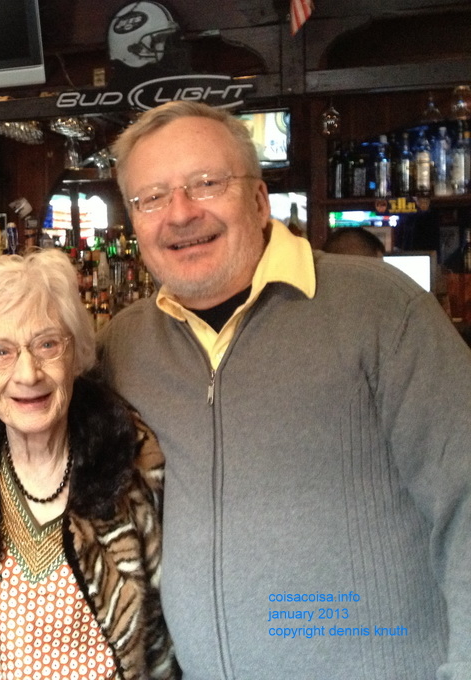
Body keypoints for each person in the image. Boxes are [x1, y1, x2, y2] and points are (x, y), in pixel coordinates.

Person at [98, 100, 471, 679]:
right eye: (151, 197)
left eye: (206, 183)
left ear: (258, 199)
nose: (180, 213)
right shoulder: (126, 343)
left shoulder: (381, 307)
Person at [0, 248, 177, 680]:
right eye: (1, 352)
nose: (28, 374)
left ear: (76, 353)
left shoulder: (128, 463)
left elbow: (161, 635)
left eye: (47, 344)